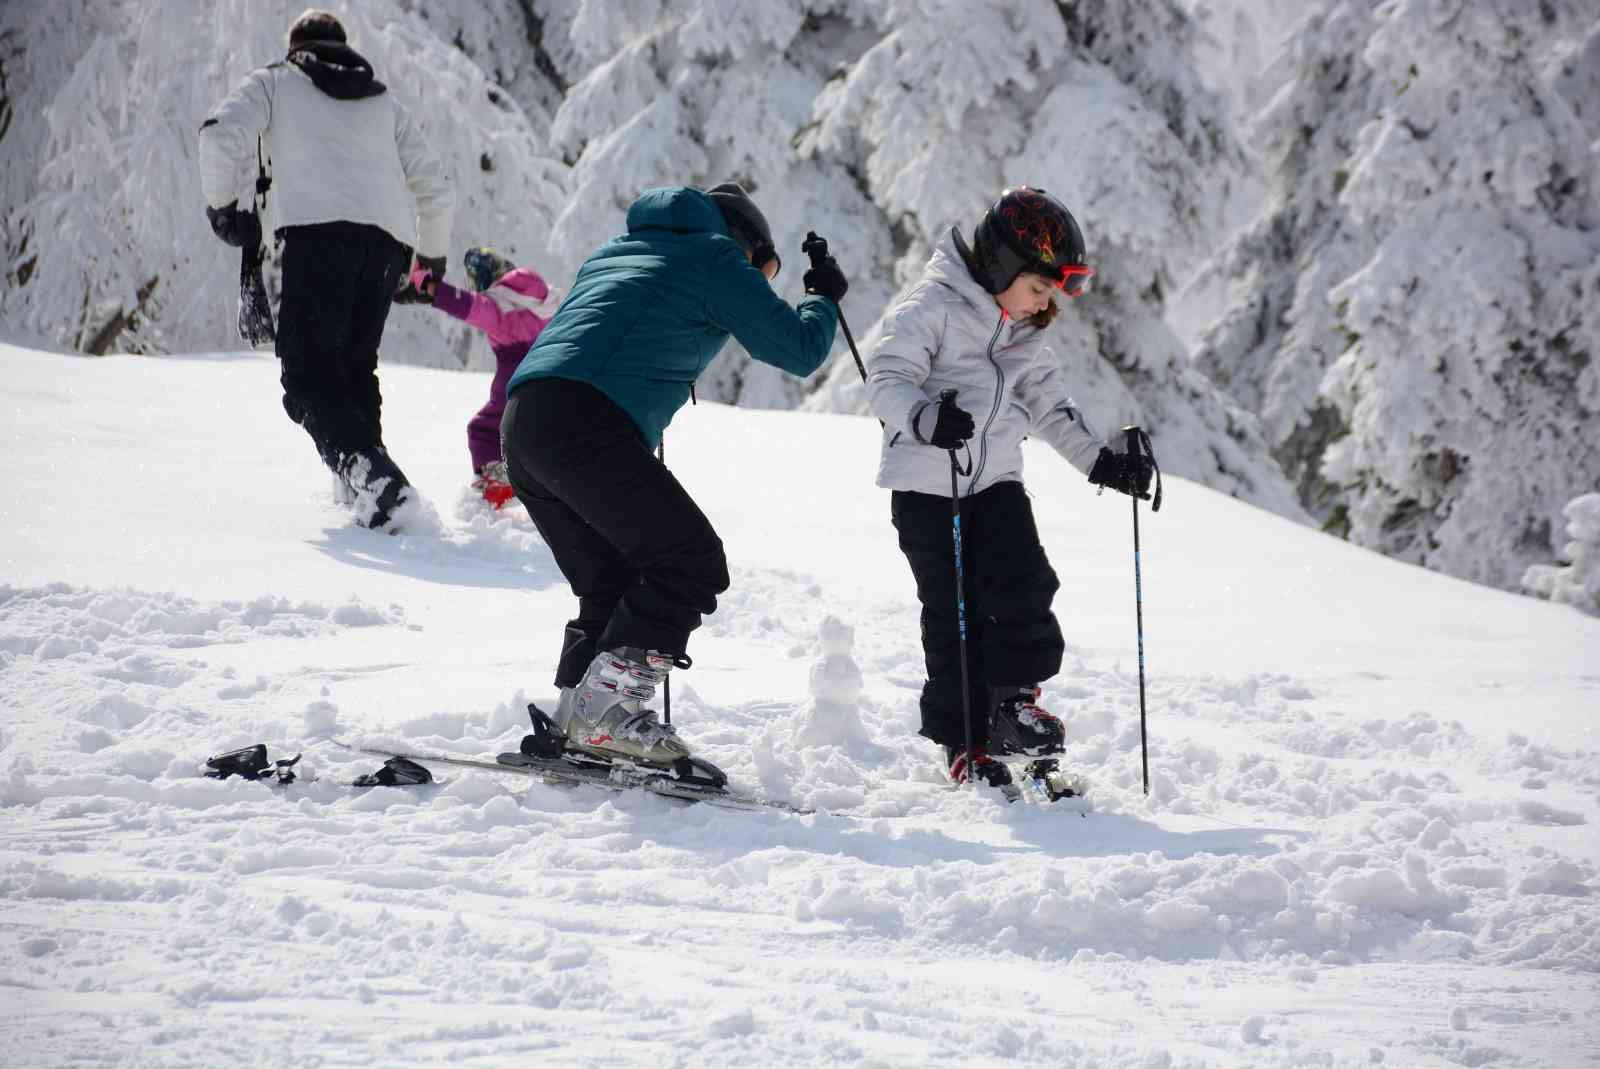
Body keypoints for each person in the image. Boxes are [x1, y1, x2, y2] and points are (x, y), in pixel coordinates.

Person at [501, 182, 848, 767]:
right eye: (761, 274)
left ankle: (576, 719)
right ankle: (607, 716)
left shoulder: (616, 252)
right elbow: (799, 350)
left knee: (611, 580)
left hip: (527, 423)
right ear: (745, 248)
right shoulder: (716, 256)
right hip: (585, 422)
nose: (757, 287)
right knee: (690, 561)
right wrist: (822, 296)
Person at [865, 186, 1155, 790]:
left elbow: (1050, 404)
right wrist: (924, 418)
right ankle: (964, 739)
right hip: (927, 486)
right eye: (1039, 287)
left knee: (1025, 581)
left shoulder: (1023, 331)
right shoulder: (932, 307)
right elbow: (888, 377)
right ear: (1002, 263)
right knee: (955, 611)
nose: (1043, 304)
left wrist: (1101, 463)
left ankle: (1014, 704)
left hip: (995, 478)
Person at [197, 8, 454, 530]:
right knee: (354, 369)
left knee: (309, 376)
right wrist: (428, 263)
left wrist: (223, 211)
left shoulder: (275, 81)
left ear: (296, 46)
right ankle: (368, 497)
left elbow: (218, 134)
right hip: (385, 246)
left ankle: (380, 487)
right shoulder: (384, 103)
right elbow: (437, 187)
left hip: (315, 239)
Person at [403, 247, 562, 508]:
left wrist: (430, 285)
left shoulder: (496, 304)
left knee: (485, 430)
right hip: (556, 374)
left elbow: (466, 305)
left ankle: (497, 486)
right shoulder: (547, 297)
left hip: (518, 379)